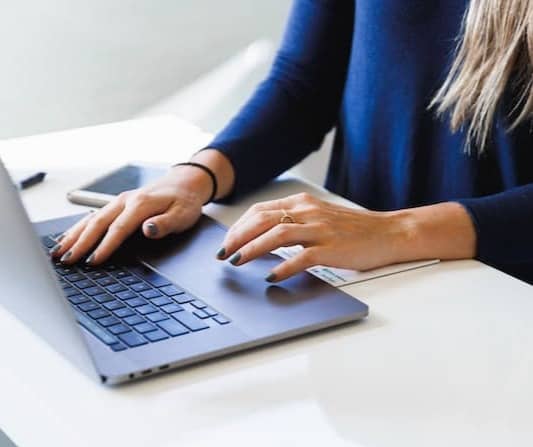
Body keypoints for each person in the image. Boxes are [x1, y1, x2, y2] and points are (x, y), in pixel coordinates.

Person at [51, 0, 533, 284]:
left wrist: (398, 231)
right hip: (359, 278)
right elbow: (305, 82)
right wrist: (196, 176)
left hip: (499, 294)